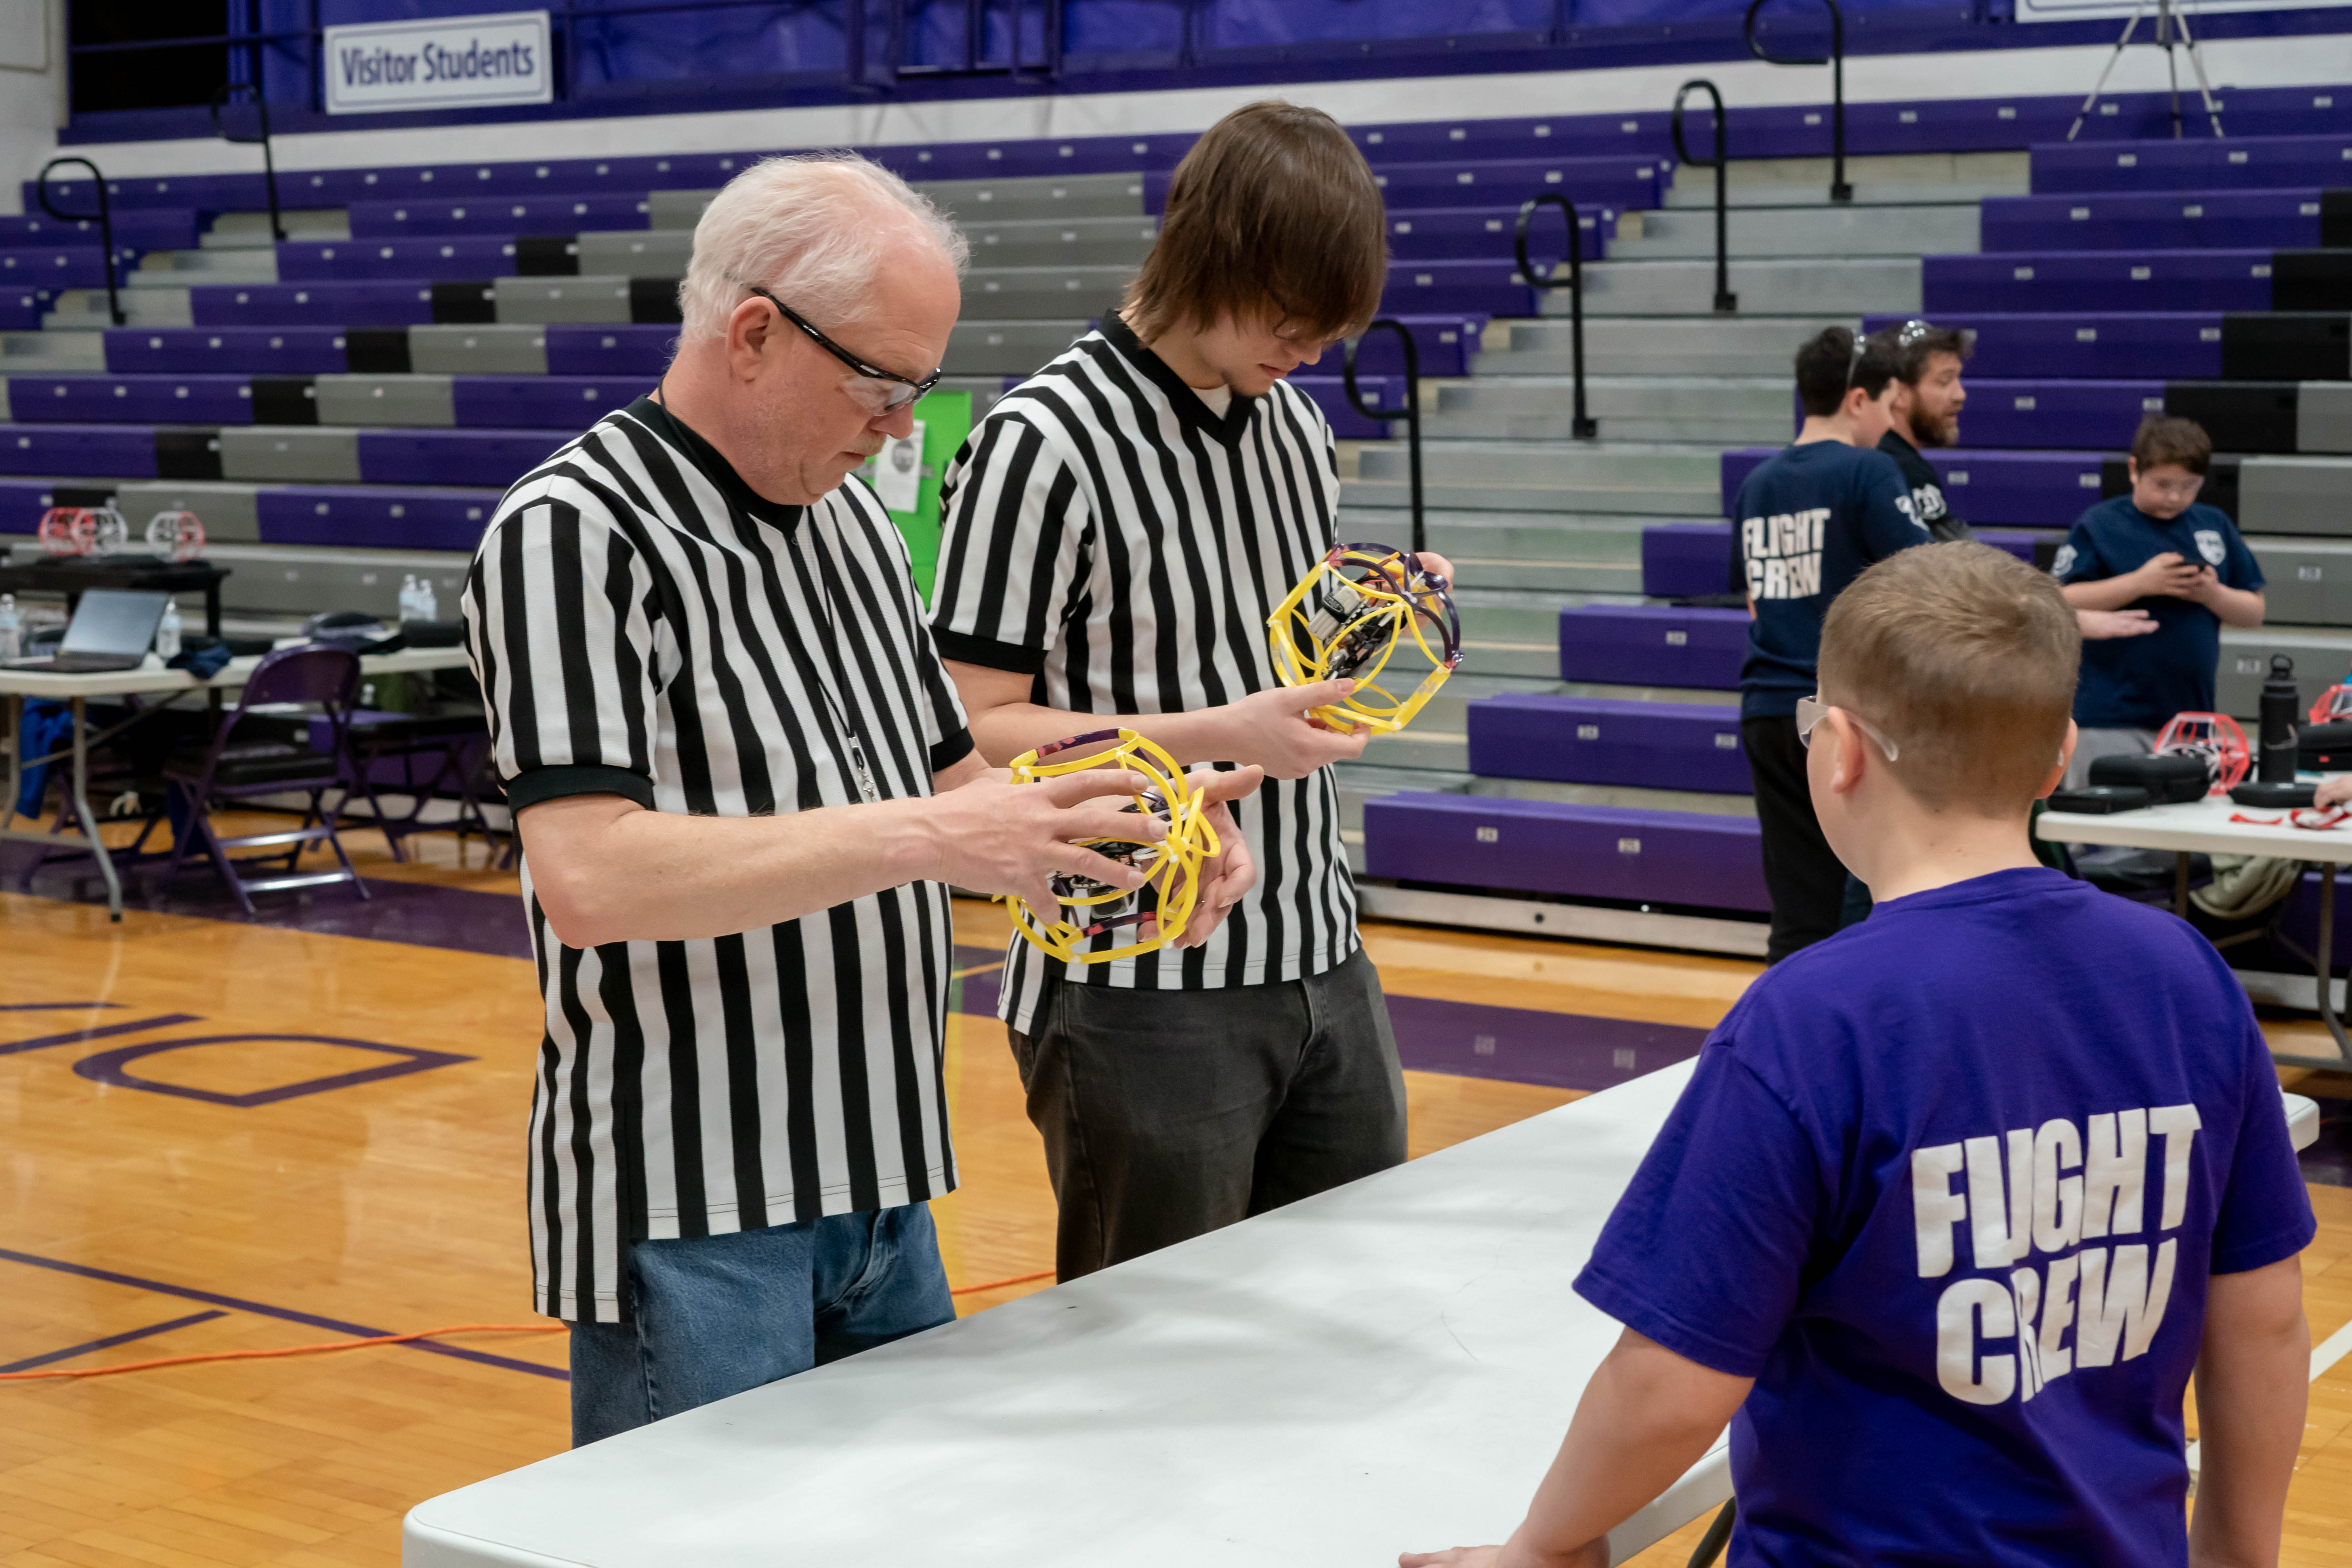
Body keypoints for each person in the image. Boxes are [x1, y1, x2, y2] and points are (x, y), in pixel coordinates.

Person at [461, 153, 1254, 1447]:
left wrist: (1138, 829)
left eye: (918, 390)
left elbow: (958, 787)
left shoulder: (859, 534)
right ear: (756, 332)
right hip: (701, 1202)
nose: (899, 427)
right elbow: (592, 877)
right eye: (881, 384)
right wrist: (945, 833)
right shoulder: (573, 532)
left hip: (882, 1178)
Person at [1401, 542, 2313, 1568]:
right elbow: (2264, 1320)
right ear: (2060, 753)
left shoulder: (1811, 1018)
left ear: (1837, 749)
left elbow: (1670, 1383)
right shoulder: (2186, 975)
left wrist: (1539, 1543)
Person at [930, 101, 1444, 1281]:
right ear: (1211, 254)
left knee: (1341, 1317)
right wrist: (1216, 731)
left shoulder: (1295, 433)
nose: (1311, 348)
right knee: (1155, 1368)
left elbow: (1272, 659)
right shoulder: (1040, 443)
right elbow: (967, 724)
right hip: (1133, 986)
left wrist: (1381, 613)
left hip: (1322, 949)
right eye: (1291, 315)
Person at [1734, 325, 1928, 962]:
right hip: (1840, 713)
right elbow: (1927, 580)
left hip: (1766, 707)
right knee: (1867, 897)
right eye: (1886, 403)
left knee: (1795, 907)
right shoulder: (1870, 470)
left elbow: (1755, 600)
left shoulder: (1758, 483)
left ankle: (1787, 1043)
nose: (1889, 418)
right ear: (1856, 399)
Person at [2056, 415, 2267, 790]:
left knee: (2181, 832)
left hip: (2191, 718)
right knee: (2104, 829)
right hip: (2110, 714)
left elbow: (2254, 611)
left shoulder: (2212, 523)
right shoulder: (2101, 523)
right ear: (2135, 470)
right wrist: (2140, 583)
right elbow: (2061, 598)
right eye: (2163, 484)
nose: (2174, 497)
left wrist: (2213, 594)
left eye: (2189, 486)